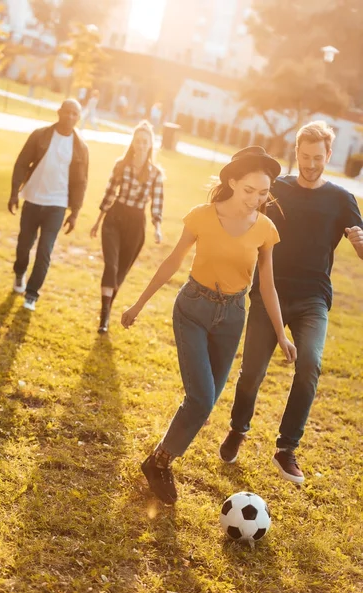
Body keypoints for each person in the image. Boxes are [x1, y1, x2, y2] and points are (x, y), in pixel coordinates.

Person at [121, 146, 297, 505]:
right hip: (193, 309)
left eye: (263, 193)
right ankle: (161, 462)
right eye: (249, 190)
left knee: (206, 402)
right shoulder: (202, 216)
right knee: (200, 397)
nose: (256, 199)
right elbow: (173, 261)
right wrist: (139, 302)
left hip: (232, 317)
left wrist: (282, 334)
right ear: (232, 181)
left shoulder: (265, 228)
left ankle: (158, 459)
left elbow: (267, 285)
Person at [220, 121, 363, 484]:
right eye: (305, 156)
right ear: (296, 152)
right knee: (252, 370)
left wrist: (360, 242)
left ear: (329, 155)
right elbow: (244, 212)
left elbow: (362, 250)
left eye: (318, 157)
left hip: (314, 297)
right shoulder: (276, 189)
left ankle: (286, 448)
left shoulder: (342, 200)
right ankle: (239, 428)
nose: (311, 163)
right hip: (270, 291)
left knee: (310, 364)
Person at [8, 99, 89, 311]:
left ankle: (32, 294)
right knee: (24, 245)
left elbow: (81, 182)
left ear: (78, 118)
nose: (71, 117)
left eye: (75, 114)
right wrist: (14, 193)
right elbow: (21, 163)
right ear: (59, 112)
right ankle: (19, 273)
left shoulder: (80, 148)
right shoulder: (40, 135)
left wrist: (75, 213)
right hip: (33, 199)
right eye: (68, 112)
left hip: (57, 205)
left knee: (45, 250)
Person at [90, 120, 164, 334]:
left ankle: (107, 308)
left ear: (150, 144)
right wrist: (98, 220)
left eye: (145, 141)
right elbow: (109, 193)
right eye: (137, 141)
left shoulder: (156, 174)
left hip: (136, 224)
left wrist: (157, 227)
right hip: (115, 218)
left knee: (120, 273)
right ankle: (104, 317)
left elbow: (157, 203)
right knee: (111, 266)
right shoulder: (121, 165)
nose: (140, 145)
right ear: (133, 142)